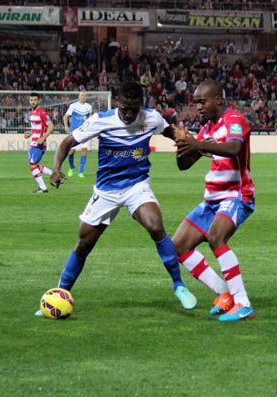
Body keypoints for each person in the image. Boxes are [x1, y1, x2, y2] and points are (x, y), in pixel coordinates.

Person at [38, 81, 197, 316]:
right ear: (117, 104)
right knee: (84, 244)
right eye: (125, 108)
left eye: (134, 108)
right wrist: (56, 169)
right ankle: (59, 296)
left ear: (140, 105)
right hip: (106, 191)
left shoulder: (151, 117)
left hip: (136, 186)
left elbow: (172, 132)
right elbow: (67, 143)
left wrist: (186, 140)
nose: (129, 114)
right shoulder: (101, 120)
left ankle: (179, 285)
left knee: (155, 226)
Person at [167, 80, 256, 322]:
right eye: (196, 103)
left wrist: (197, 143)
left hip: (237, 195)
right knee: (178, 246)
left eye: (201, 101)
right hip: (212, 199)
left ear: (218, 100)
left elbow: (235, 148)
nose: (198, 107)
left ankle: (243, 303)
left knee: (216, 237)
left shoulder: (234, 120)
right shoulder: (207, 129)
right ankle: (224, 292)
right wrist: (182, 145)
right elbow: (184, 165)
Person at [24, 92, 54, 193]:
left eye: (35, 100)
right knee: (32, 164)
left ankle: (43, 188)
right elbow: (35, 128)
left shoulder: (42, 112)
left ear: (38, 101)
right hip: (34, 141)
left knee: (33, 165)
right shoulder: (32, 112)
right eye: (31, 100)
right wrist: (30, 133)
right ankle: (54, 174)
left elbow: (51, 126)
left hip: (39, 143)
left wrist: (43, 137)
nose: (33, 102)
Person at [62, 91, 93, 178]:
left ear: (86, 97)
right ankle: (71, 167)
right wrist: (66, 126)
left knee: (84, 151)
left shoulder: (89, 107)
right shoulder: (73, 106)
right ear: (79, 97)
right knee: (71, 152)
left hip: (84, 132)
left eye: (85, 95)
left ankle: (80, 172)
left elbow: (90, 118)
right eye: (81, 95)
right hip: (74, 132)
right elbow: (65, 116)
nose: (83, 97)